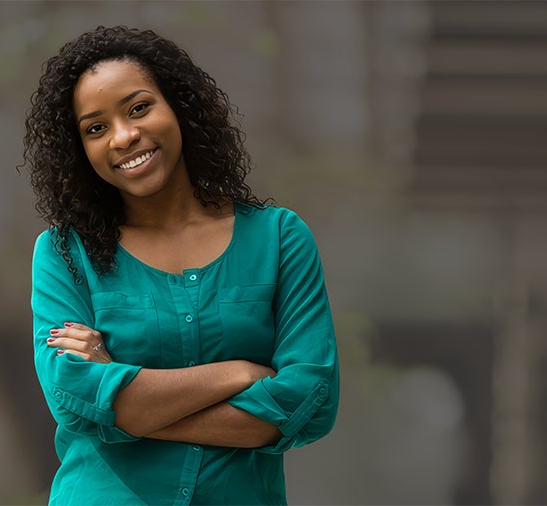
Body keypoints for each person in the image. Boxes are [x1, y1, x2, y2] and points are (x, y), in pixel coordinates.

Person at [24, 26, 338, 505]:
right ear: (78, 151)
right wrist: (236, 373)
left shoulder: (278, 239)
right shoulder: (65, 253)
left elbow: (309, 400)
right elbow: (74, 400)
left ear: (180, 107)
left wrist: (125, 405)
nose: (124, 137)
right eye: (95, 128)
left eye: (138, 108)